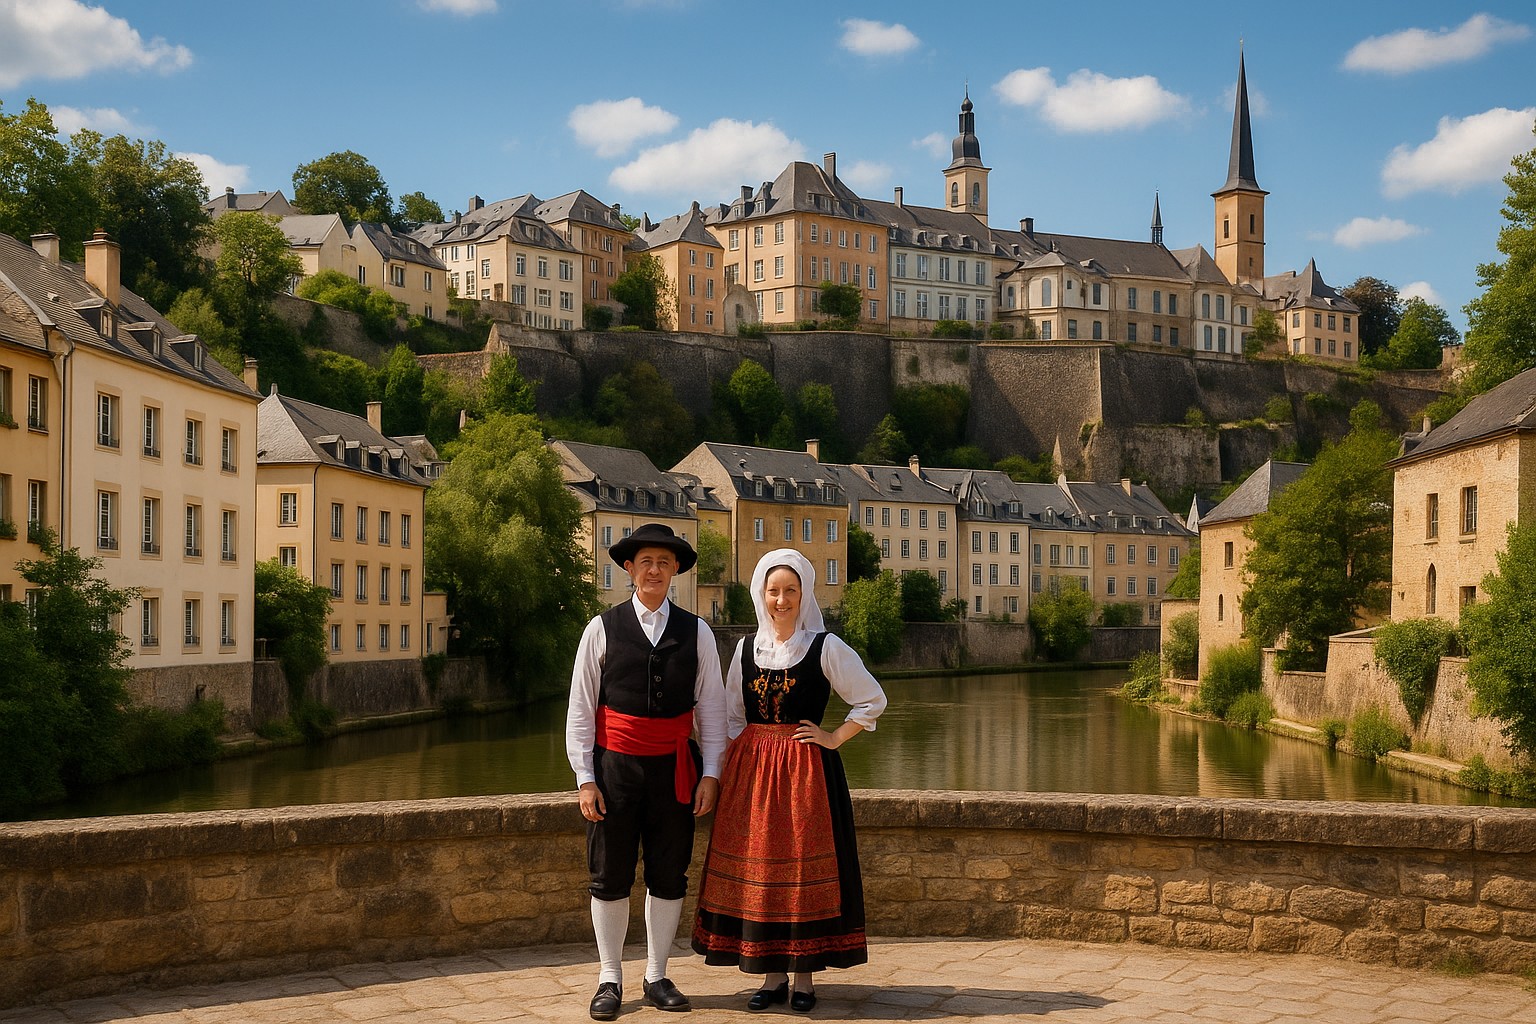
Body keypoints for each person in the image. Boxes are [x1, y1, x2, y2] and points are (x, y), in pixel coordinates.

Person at [692, 548, 887, 1013]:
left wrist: (833, 737)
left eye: (791, 591)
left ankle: (803, 979)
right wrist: (739, 768)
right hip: (754, 777)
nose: (781, 600)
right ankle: (772, 976)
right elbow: (732, 715)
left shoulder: (825, 646)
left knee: (800, 870)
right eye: (774, 591)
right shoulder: (746, 649)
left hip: (806, 775)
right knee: (761, 870)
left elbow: (872, 699)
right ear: (761, 594)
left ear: (804, 594)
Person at [567, 522, 727, 1020]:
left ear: (675, 569)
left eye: (663, 562)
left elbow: (713, 710)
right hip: (614, 769)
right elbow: (580, 710)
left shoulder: (698, 632)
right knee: (609, 874)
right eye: (645, 562)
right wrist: (585, 778)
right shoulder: (600, 629)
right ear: (629, 568)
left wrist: (711, 773)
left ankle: (657, 974)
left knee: (669, 872)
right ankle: (609, 978)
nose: (654, 570)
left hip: (676, 770)